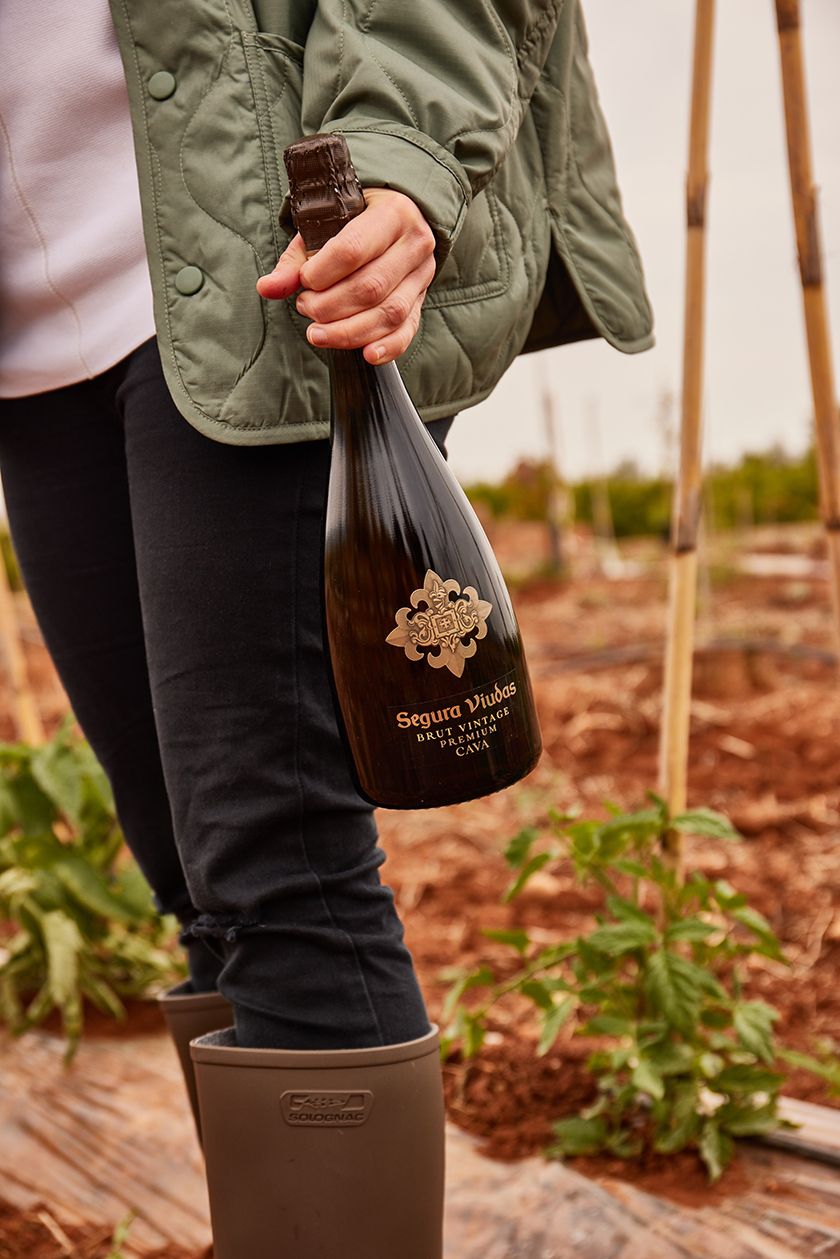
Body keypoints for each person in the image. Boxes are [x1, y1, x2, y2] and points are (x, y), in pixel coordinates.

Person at [0, 1, 652, 1255]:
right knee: (197, 882)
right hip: (33, 345)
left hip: (265, 255)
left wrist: (399, 145)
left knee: (274, 865)